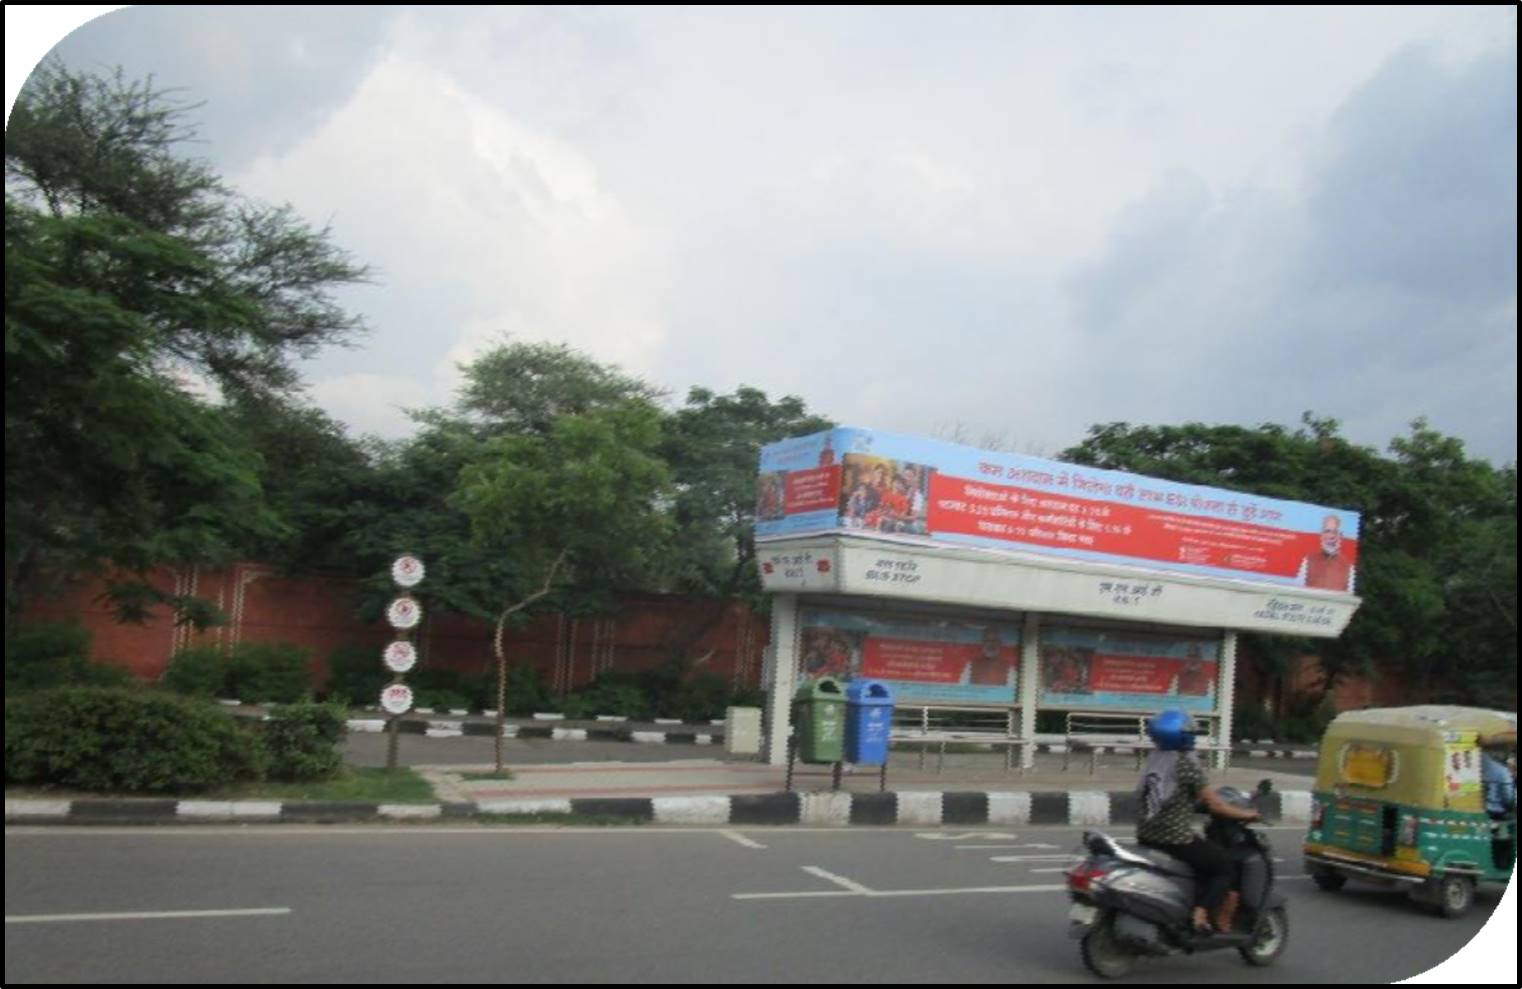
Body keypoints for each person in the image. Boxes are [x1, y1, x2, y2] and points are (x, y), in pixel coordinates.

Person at [1136, 709, 1259, 935]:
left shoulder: (1155, 758)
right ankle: (1201, 913)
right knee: (1223, 867)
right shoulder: (1186, 763)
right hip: (1174, 838)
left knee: (1203, 857)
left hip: (1146, 834)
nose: (1193, 734)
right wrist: (1248, 815)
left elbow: (1170, 794)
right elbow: (1216, 805)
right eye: (1188, 731)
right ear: (1180, 735)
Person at [1300, 514, 1355, 592]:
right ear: (1322, 534)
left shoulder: (1349, 567)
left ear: (1341, 535)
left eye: (1335, 532)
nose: (1331, 536)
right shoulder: (1307, 561)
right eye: (1327, 531)